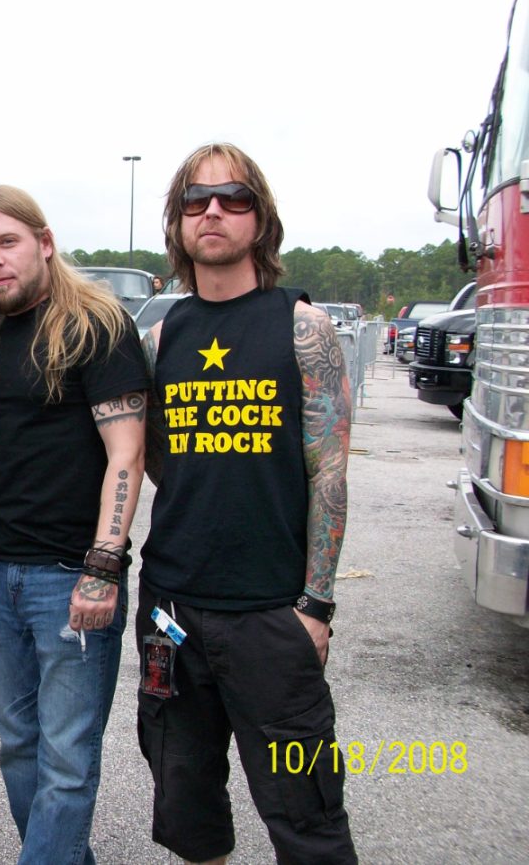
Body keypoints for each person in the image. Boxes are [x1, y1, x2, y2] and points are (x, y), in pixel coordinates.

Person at [136, 143, 356, 864]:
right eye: (195, 200)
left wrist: (315, 606)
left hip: (272, 615)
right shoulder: (161, 339)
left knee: (308, 816)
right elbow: (159, 459)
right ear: (178, 221)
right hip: (171, 611)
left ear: (260, 218)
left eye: (233, 198)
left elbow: (329, 475)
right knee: (187, 809)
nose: (213, 212)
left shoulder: (304, 328)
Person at [0, 185, 150, 865]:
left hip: (72, 577)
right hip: (2, 574)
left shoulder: (96, 325)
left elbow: (127, 455)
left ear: (45, 243)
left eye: (7, 242)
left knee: (67, 758)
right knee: (19, 747)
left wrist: (103, 566)